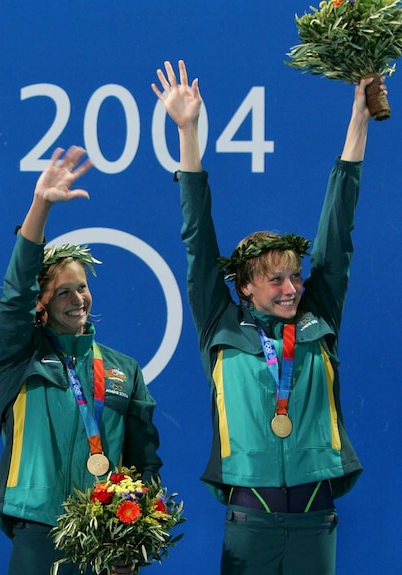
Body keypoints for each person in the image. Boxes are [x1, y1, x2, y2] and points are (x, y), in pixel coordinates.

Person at [152, 60, 378, 574]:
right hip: (249, 522)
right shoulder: (221, 324)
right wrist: (188, 131)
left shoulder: (319, 319)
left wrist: (358, 120)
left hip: (316, 520)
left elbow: (338, 233)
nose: (292, 288)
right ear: (245, 286)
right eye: (276, 279)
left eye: (295, 276)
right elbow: (197, 236)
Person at [0, 146, 163, 575]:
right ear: (39, 305)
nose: (77, 299)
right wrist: (40, 205)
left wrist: (133, 536)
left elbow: (144, 462)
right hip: (39, 528)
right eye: (63, 291)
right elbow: (14, 294)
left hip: (107, 533)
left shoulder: (124, 369)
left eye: (81, 288)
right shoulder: (18, 355)